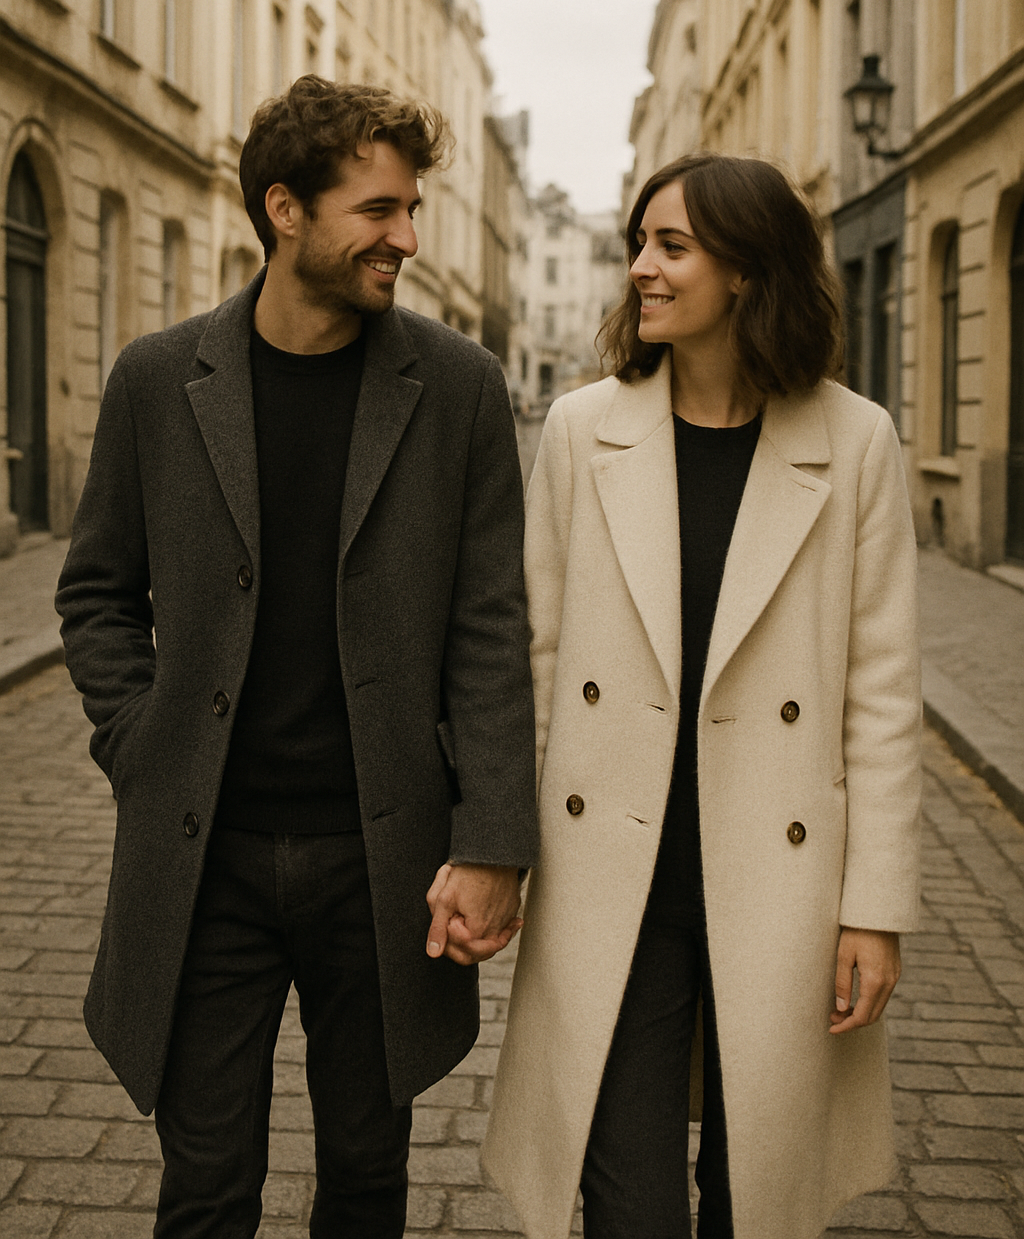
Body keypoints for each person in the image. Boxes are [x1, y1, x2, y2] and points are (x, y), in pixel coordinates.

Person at [56, 76, 538, 1239]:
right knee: (207, 1187)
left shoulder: (459, 388)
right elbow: (96, 595)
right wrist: (140, 743)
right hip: (202, 851)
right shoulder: (159, 381)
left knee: (367, 1183)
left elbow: (489, 631)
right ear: (285, 208)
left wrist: (491, 842)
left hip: (384, 861)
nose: (407, 238)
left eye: (412, 209)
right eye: (378, 210)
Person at [482, 153, 921, 1239]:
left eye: (670, 246)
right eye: (639, 243)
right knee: (624, 1199)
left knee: (755, 1197)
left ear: (747, 270)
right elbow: (530, 658)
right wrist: (495, 844)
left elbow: (881, 692)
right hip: (610, 876)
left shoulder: (854, 440)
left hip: (783, 881)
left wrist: (874, 908)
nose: (640, 268)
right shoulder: (582, 430)